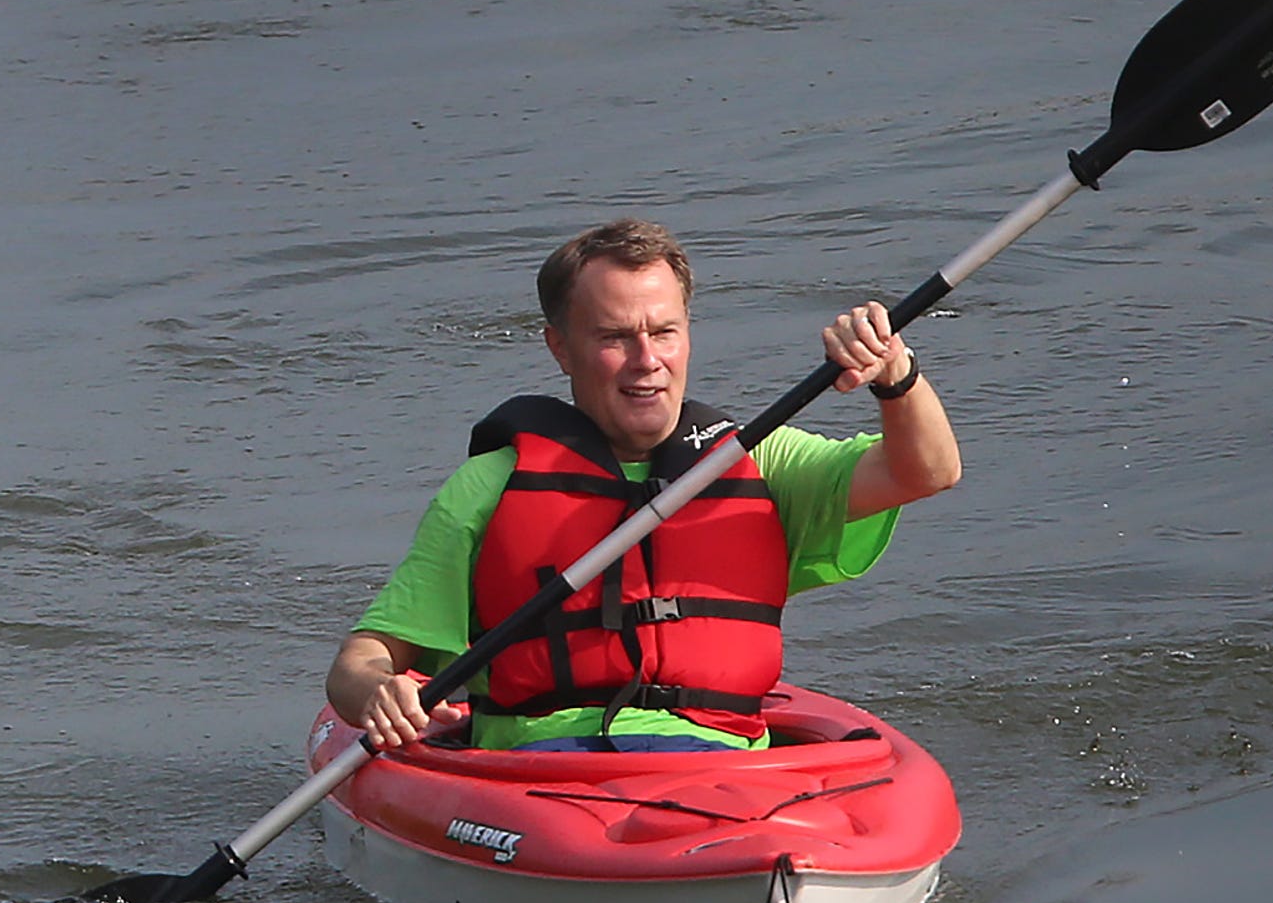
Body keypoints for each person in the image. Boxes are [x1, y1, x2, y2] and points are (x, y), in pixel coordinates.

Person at [328, 217, 961, 752]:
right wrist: (380, 692)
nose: (646, 360)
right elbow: (361, 659)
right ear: (560, 348)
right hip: (541, 769)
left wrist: (895, 376)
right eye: (613, 337)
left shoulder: (759, 463)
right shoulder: (491, 487)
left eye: (664, 332)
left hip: (721, 766)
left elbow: (927, 470)